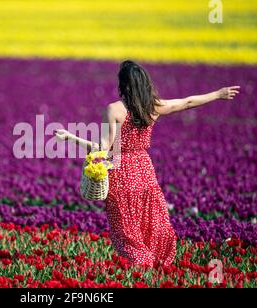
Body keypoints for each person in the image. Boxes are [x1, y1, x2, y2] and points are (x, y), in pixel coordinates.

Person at [55, 60, 240, 266]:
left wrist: (71, 138)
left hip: (121, 173)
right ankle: (157, 264)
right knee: (150, 221)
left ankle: (142, 265)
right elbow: (187, 102)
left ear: (123, 85)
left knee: (128, 228)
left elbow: (103, 149)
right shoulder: (153, 107)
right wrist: (218, 94)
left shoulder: (114, 109)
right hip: (144, 171)